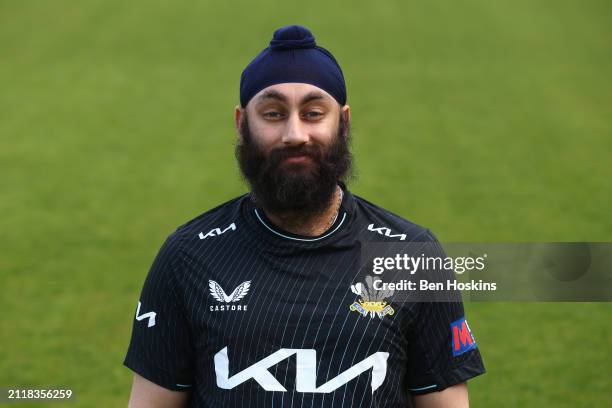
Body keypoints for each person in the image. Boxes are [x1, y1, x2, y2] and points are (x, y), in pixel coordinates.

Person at [124, 25, 485, 408]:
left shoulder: (411, 256)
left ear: (343, 122)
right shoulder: (188, 257)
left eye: (313, 113)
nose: (295, 134)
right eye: (273, 113)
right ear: (241, 123)